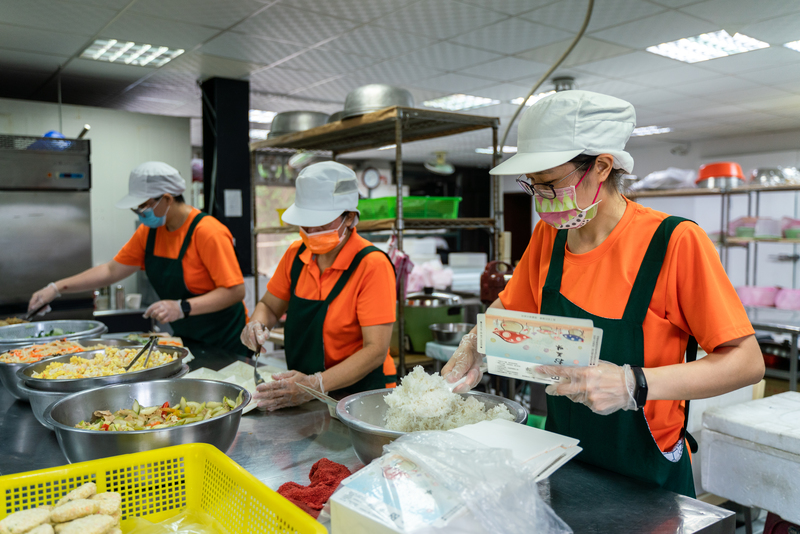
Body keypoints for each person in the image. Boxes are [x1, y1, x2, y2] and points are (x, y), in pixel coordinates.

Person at [442, 90, 764, 497]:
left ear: (601, 166)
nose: (542, 201)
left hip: (646, 474)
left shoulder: (674, 241)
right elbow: (510, 305)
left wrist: (633, 384)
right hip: (561, 458)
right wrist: (477, 342)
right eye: (534, 186)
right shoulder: (550, 236)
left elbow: (747, 362)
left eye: (551, 184)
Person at [29, 161, 248, 356]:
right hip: (189, 338)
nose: (141, 213)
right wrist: (56, 288)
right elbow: (110, 271)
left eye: (144, 206)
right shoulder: (149, 233)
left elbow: (235, 291)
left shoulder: (208, 232)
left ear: (167, 199)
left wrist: (182, 307)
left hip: (226, 341)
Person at [241, 161, 397, 411]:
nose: (312, 231)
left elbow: (375, 350)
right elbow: (269, 306)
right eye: (306, 223)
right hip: (306, 393)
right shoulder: (295, 255)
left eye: (322, 224)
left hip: (364, 397)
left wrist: (316, 384)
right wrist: (256, 325)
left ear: (349, 217)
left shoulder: (372, 265)